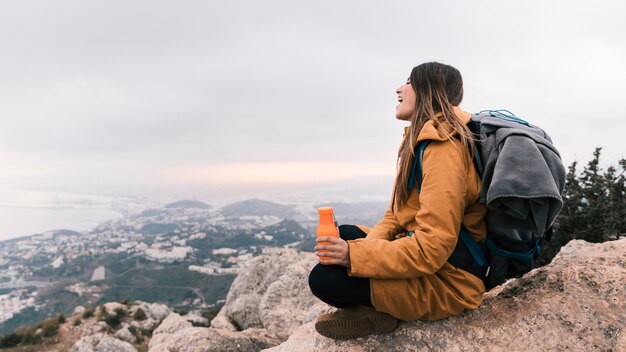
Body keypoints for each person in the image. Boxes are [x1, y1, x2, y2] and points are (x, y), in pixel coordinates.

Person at [308, 62, 488, 340]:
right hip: (433, 261)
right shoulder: (421, 140)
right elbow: (394, 216)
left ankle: (378, 310)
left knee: (325, 279)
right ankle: (377, 307)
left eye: (408, 82)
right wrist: (359, 255)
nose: (399, 89)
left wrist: (353, 257)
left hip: (452, 280)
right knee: (344, 236)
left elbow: (432, 249)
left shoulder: (444, 148)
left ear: (429, 90)